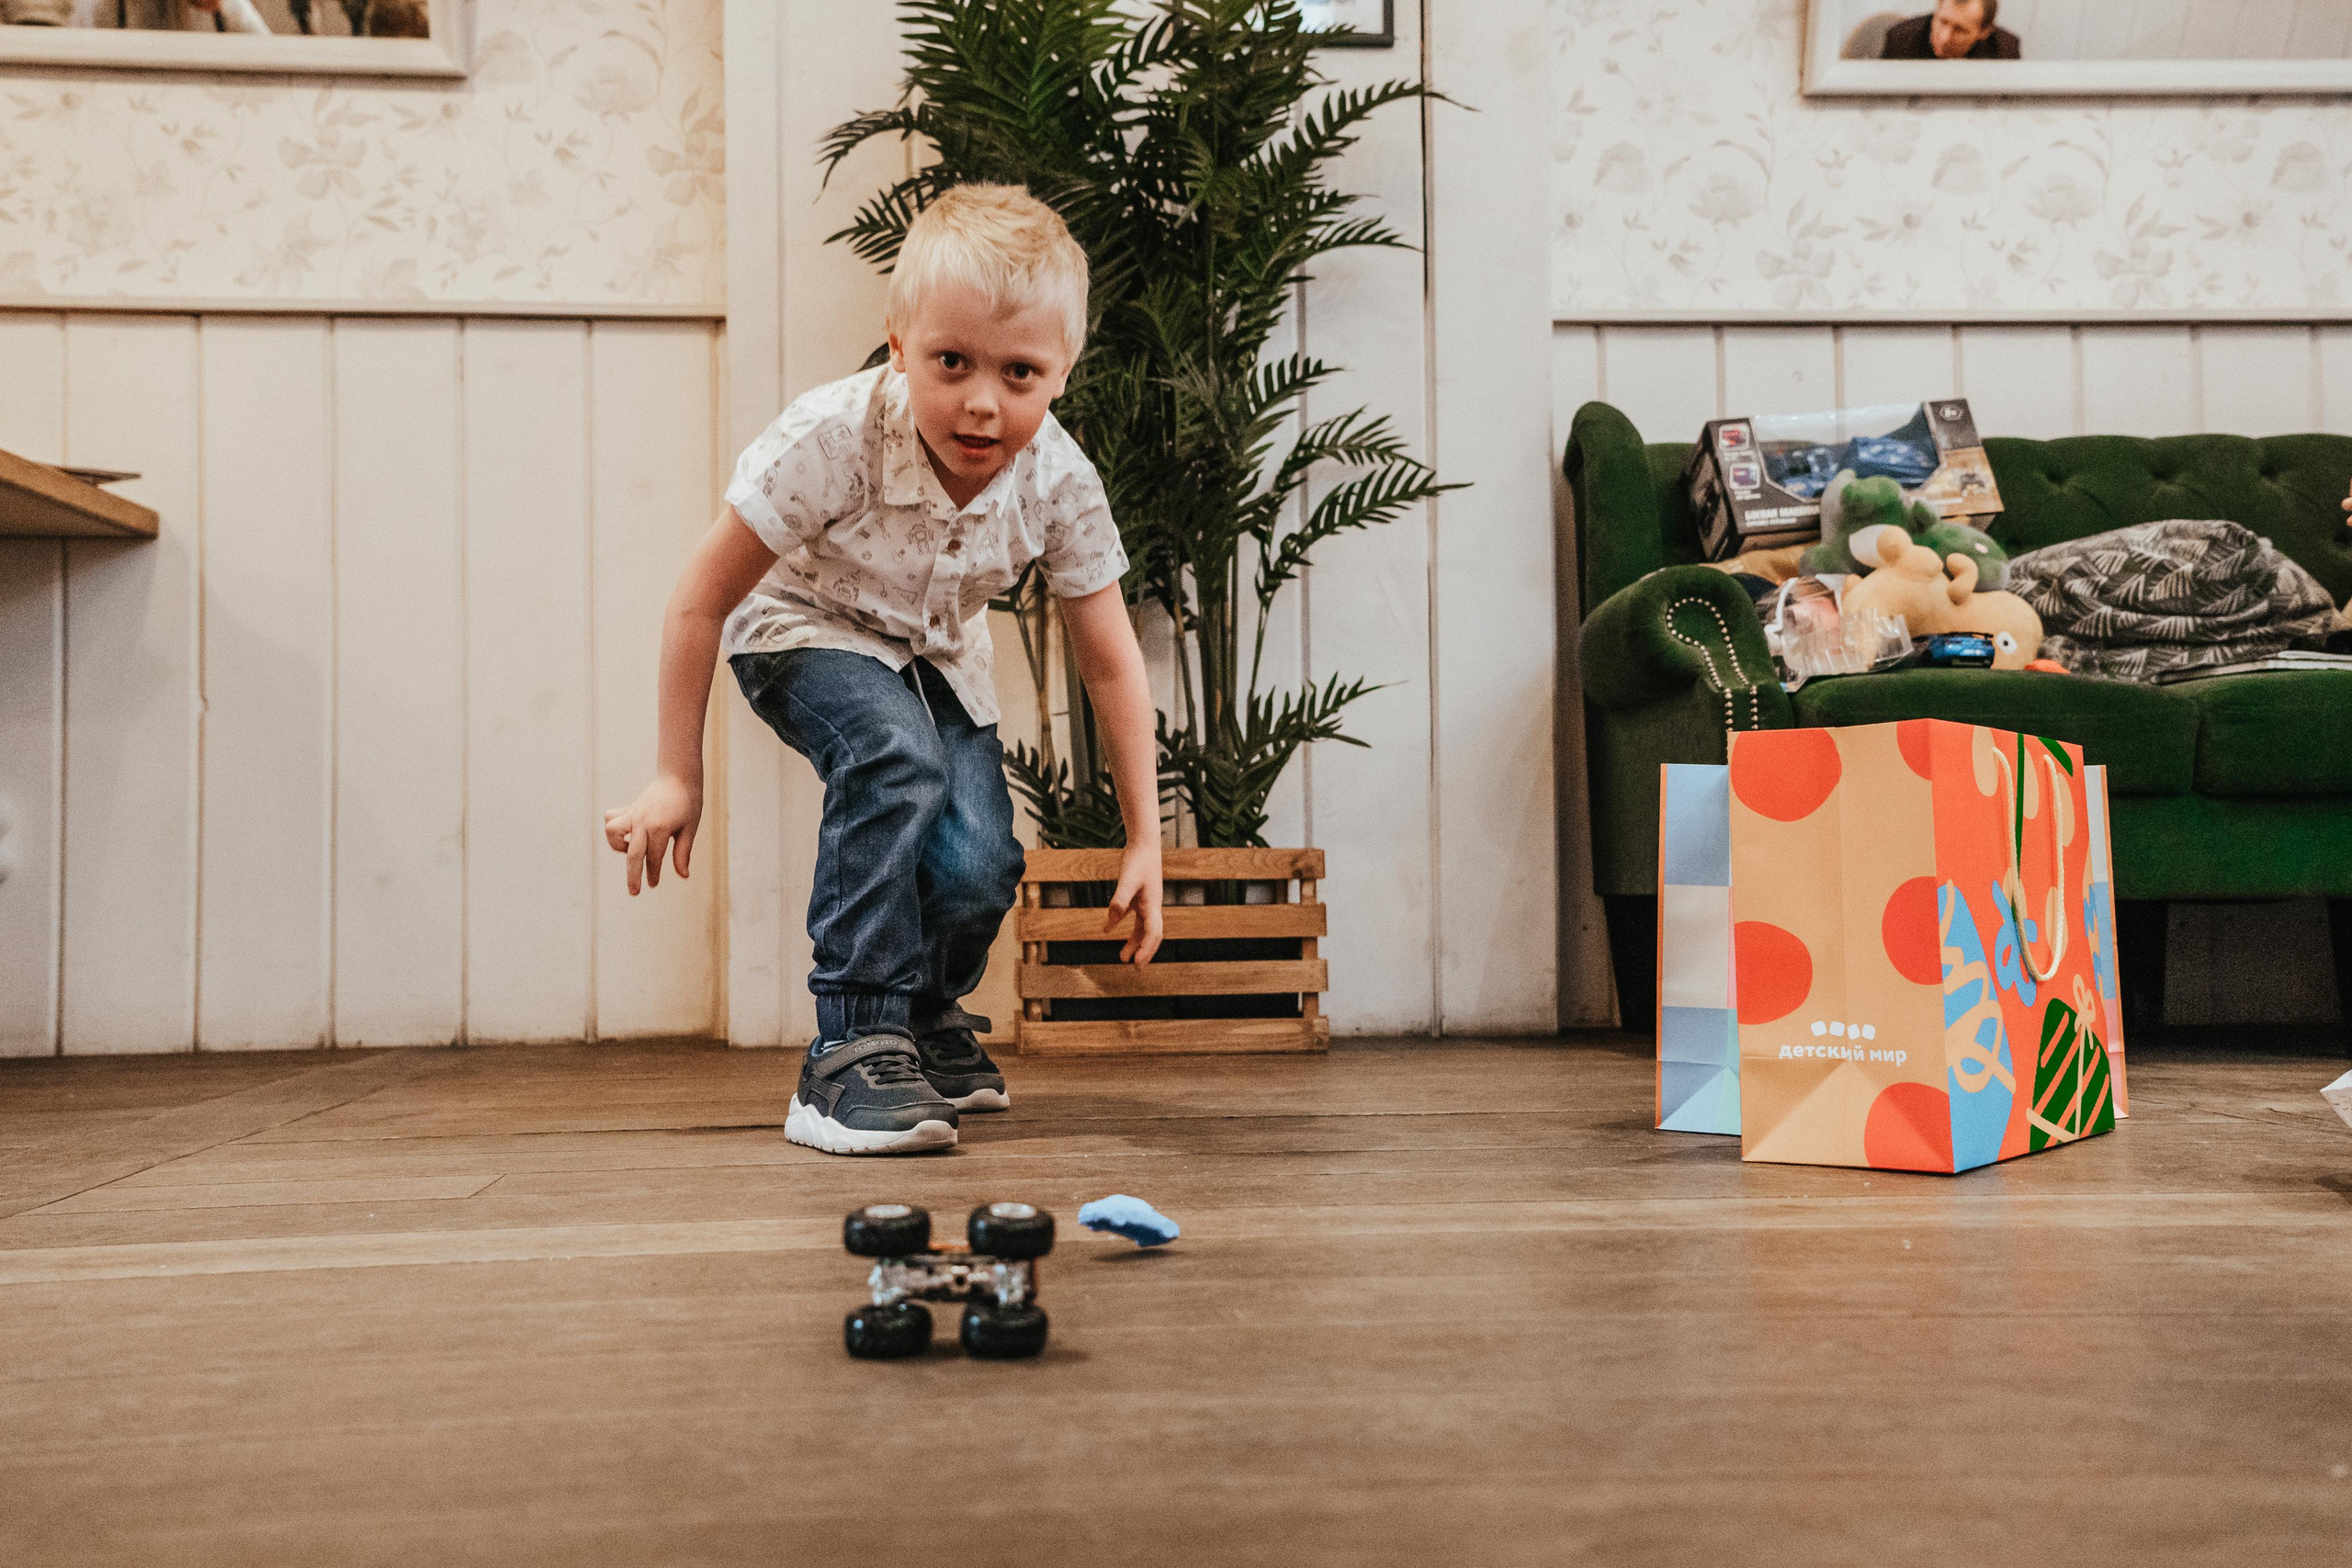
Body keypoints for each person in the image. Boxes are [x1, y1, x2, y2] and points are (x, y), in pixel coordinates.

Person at [604, 184, 1165, 1157]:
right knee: (894, 757)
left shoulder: (1059, 480)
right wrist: (674, 774)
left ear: (1061, 374)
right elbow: (699, 599)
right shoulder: (830, 438)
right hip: (798, 628)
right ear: (899, 345)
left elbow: (1111, 664)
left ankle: (924, 1016)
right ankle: (851, 1044)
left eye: (1019, 373)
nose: (983, 401)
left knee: (982, 860)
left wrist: (1145, 838)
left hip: (938, 657)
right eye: (952, 363)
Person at [1882, 0, 2020, 61]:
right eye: (1943, 22)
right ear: (1937, 10)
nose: (1945, 37)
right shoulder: (1900, 39)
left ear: (1984, 32)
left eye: (1960, 29)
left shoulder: (2004, 51)